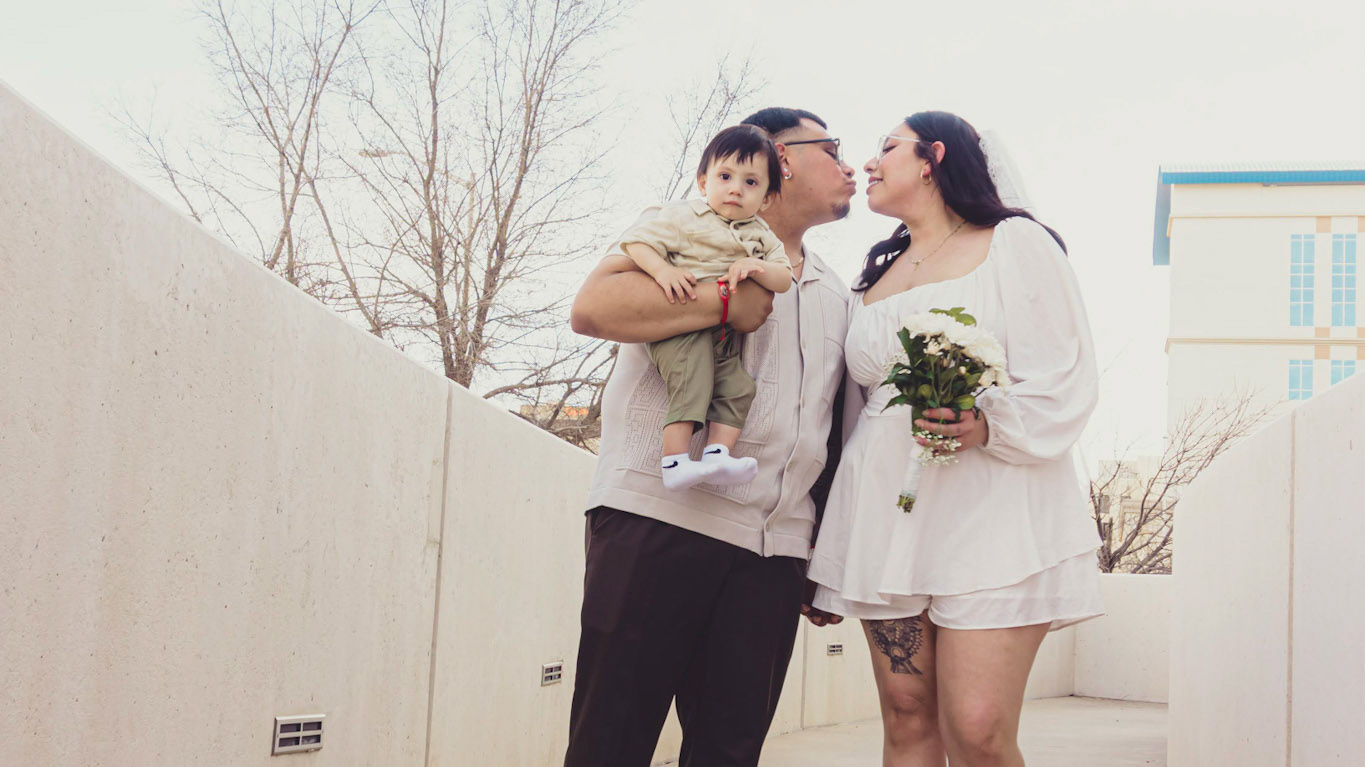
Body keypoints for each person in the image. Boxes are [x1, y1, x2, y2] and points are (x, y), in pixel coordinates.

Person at [562, 107, 859, 767]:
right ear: (780, 158)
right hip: (658, 519)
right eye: (831, 148)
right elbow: (591, 308)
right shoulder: (678, 231)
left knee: (729, 752)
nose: (849, 167)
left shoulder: (836, 293)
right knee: (610, 745)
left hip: (773, 552)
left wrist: (822, 551)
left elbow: (829, 431)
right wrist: (724, 300)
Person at [807, 111, 1103, 767]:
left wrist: (988, 423)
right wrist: (826, 535)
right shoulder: (870, 278)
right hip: (884, 516)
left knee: (977, 729)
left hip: (993, 511)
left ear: (933, 157)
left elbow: (1065, 370)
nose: (870, 162)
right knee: (906, 717)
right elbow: (847, 413)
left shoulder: (1014, 242)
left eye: (887, 147)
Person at [619, 124, 793, 491]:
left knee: (739, 387)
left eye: (750, 182)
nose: (735, 188)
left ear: (766, 199)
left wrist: (756, 266)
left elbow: (783, 279)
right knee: (693, 378)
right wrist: (663, 270)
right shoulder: (683, 217)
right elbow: (636, 243)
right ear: (703, 182)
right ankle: (675, 462)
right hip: (679, 327)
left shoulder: (762, 236)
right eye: (725, 176)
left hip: (722, 336)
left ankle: (717, 455)